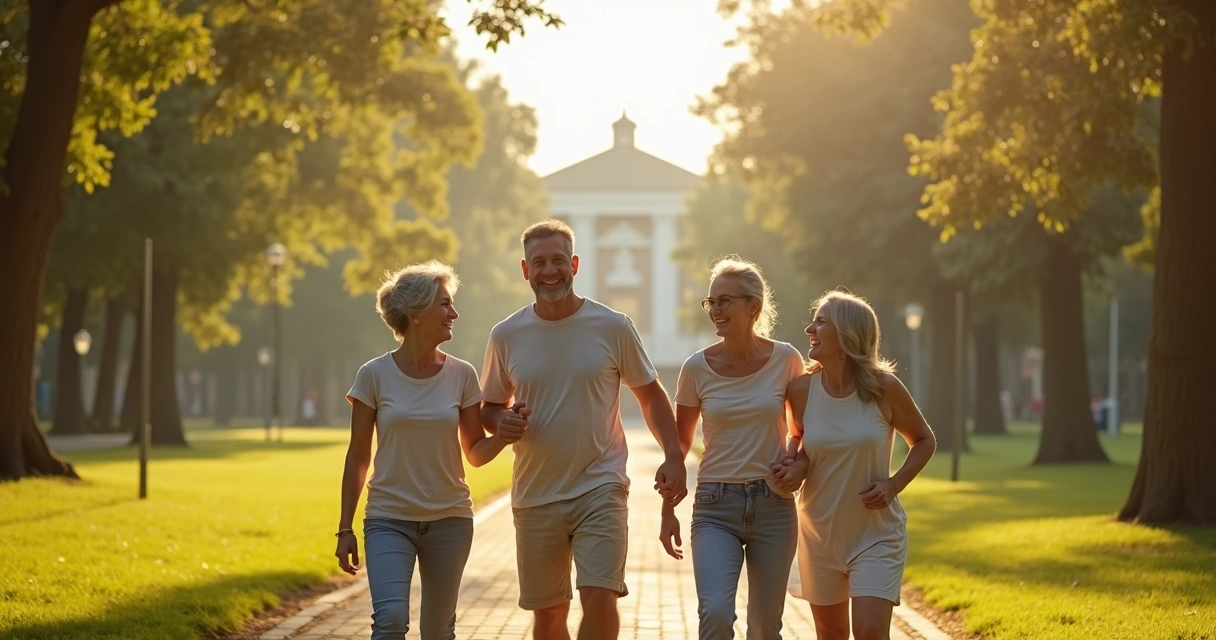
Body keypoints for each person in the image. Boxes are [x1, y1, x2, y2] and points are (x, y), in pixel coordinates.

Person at [480, 219, 688, 640]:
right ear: (525, 270)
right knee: (550, 615)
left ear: (574, 263)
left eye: (558, 260)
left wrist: (673, 454)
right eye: (539, 262)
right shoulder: (506, 335)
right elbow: (489, 407)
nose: (550, 271)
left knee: (599, 597)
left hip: (601, 485)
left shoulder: (612, 326)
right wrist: (502, 423)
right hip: (536, 492)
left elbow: (650, 395)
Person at [334, 260, 507, 640]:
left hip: (450, 521)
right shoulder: (373, 375)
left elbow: (474, 452)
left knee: (438, 630)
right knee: (391, 620)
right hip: (388, 519)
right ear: (415, 315)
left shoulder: (463, 374)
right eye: (445, 304)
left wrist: (504, 437)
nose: (454, 313)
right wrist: (345, 527)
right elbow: (358, 456)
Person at [771, 290, 936, 640]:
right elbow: (798, 438)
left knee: (870, 631)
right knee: (830, 634)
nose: (808, 329)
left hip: (875, 534)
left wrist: (894, 484)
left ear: (846, 334)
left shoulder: (884, 388)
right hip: (820, 534)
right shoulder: (801, 390)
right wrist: (796, 462)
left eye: (820, 322)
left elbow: (924, 441)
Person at [659, 256, 806, 639]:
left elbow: (803, 432)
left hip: (773, 504)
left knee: (764, 627)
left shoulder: (787, 360)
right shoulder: (695, 368)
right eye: (711, 302)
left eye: (725, 301)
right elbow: (678, 448)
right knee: (717, 614)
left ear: (753, 306)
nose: (715, 310)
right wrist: (666, 511)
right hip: (714, 506)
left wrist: (797, 463)